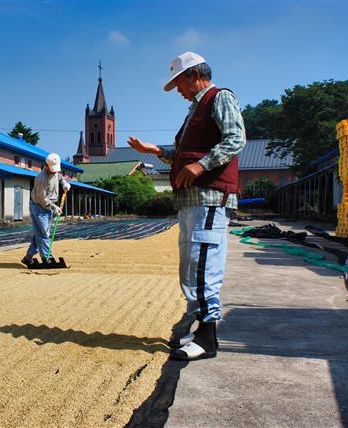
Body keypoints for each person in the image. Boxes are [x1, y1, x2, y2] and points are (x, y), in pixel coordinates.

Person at [128, 51, 246, 361]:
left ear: (194, 76)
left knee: (203, 264)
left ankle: (208, 337)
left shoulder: (219, 98)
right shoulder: (195, 110)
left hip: (209, 197)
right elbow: (183, 152)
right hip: (192, 201)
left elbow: (236, 138)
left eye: (178, 83)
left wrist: (201, 166)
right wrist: (153, 150)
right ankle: (197, 326)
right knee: (191, 266)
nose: (178, 90)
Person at [22, 153, 71, 265]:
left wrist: (64, 184)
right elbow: (41, 199)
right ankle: (47, 258)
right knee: (44, 234)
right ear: (46, 165)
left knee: (39, 234)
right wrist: (54, 207)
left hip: (48, 208)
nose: (54, 172)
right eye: (52, 169)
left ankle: (27, 258)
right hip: (39, 207)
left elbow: (59, 177)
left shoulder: (55, 172)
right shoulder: (41, 179)